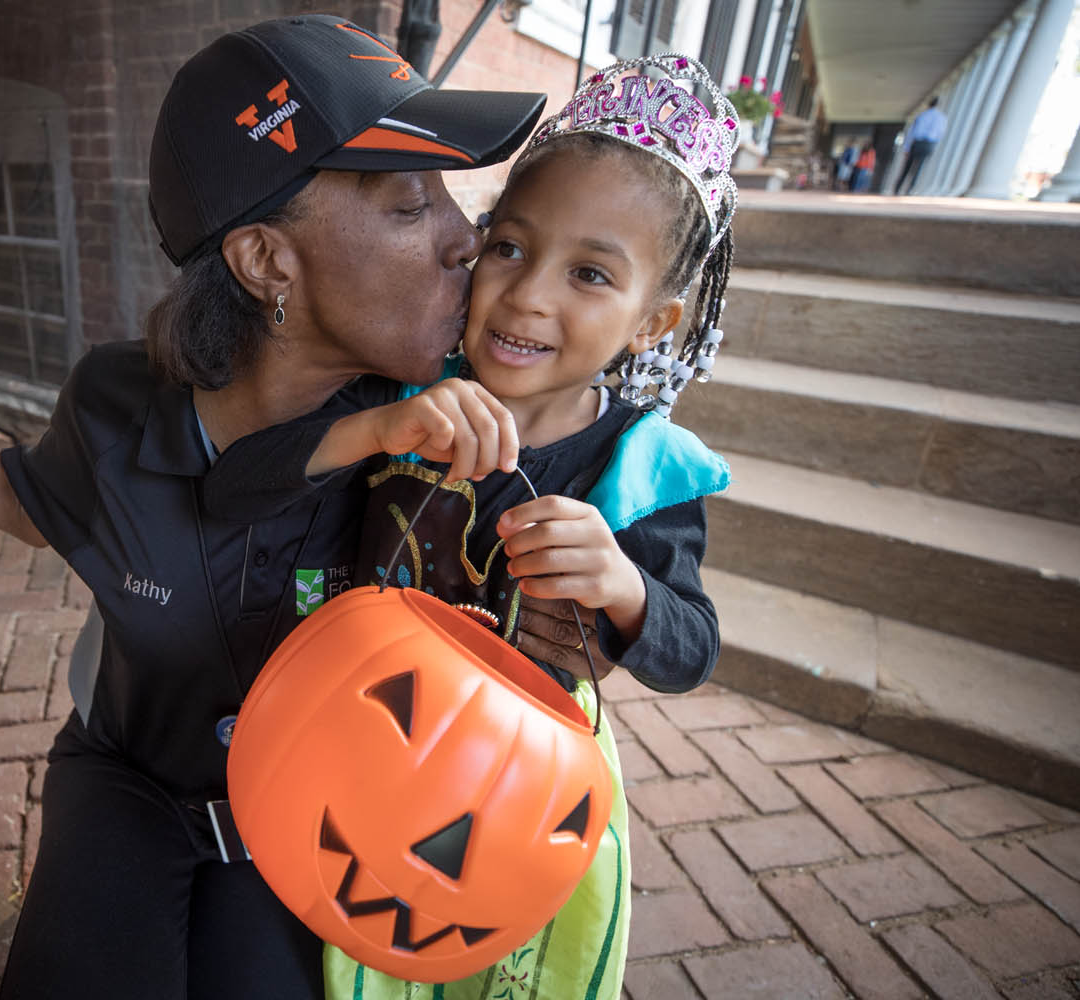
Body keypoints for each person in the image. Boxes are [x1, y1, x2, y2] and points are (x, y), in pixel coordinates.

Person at [0, 16, 565, 999]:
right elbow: (24, 499)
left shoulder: (433, 440)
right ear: (266, 262)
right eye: (409, 206)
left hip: (318, 820)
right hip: (126, 783)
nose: (464, 237)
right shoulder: (118, 403)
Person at [204, 54, 735, 999]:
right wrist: (367, 430)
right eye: (511, 248)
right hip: (356, 754)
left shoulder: (640, 474)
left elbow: (691, 650)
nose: (530, 296)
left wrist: (621, 583)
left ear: (654, 321)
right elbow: (235, 487)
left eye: (590, 275)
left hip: (514, 803)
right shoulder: (405, 397)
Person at [895, 97, 946, 195]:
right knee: (919, 168)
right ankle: (910, 190)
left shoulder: (923, 115)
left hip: (917, 143)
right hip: (928, 144)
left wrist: (906, 147)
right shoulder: (942, 118)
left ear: (929, 104)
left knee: (907, 167)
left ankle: (898, 188)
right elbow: (940, 134)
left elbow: (912, 132)